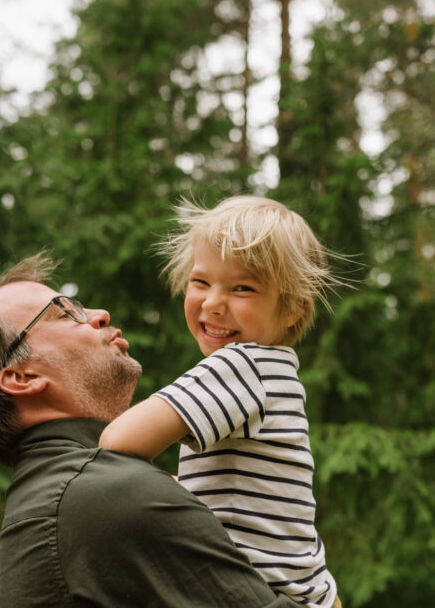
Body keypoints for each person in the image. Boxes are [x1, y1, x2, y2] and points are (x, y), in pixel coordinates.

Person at [0, 253, 298, 607]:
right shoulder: (109, 496)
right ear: (23, 378)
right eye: (66, 312)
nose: (99, 314)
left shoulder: (66, 497)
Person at [99, 196, 341, 608]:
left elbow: (116, 444)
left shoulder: (242, 365)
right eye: (201, 282)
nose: (212, 302)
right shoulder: (278, 370)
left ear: (293, 310)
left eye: (242, 287)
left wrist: (173, 493)